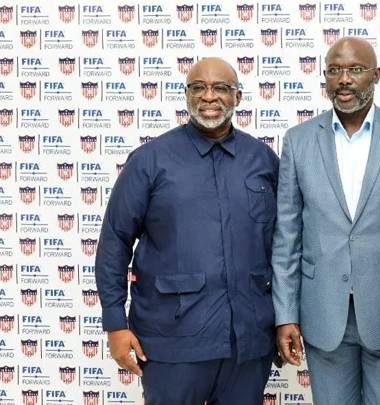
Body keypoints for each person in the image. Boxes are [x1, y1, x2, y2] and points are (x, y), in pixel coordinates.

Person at [95, 57, 279, 405]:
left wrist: (285, 319)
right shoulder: (151, 160)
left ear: (238, 97)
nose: (209, 96)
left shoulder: (263, 161)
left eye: (221, 88)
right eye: (198, 87)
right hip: (172, 341)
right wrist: (115, 323)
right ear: (186, 95)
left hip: (248, 342)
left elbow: (286, 246)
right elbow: (114, 242)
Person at [271, 37, 380, 405]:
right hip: (322, 313)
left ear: (376, 75)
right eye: (334, 71)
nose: (343, 79)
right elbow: (287, 237)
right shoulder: (298, 142)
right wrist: (284, 314)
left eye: (355, 70)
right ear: (326, 79)